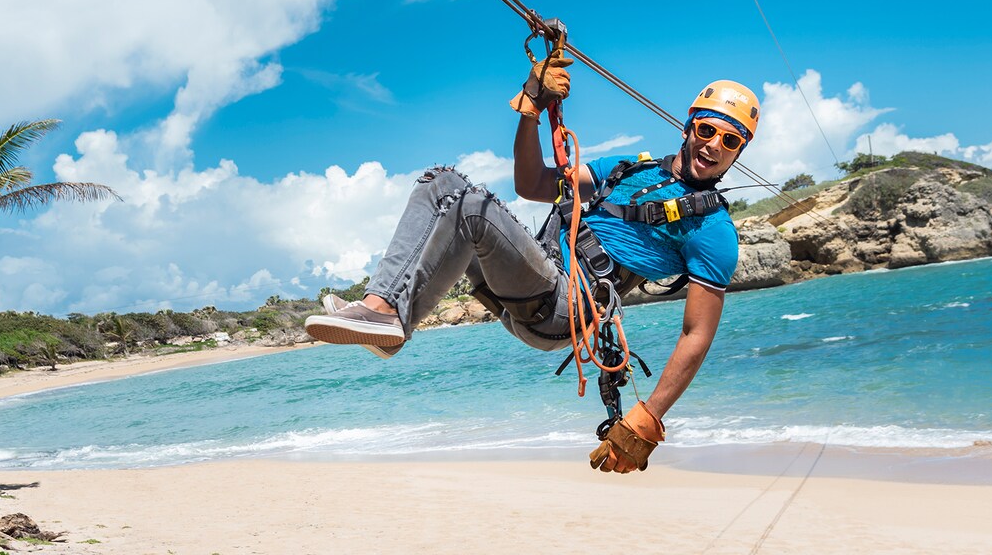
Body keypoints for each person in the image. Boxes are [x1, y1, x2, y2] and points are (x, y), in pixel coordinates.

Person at [305, 52, 760, 474]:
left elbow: (696, 334)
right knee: (440, 181)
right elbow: (532, 182)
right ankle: (388, 319)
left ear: (738, 151)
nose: (714, 146)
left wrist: (650, 417)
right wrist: (531, 111)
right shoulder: (628, 170)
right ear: (688, 126)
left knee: (471, 205)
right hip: (534, 281)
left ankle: (385, 315)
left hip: (566, 306)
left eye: (730, 140)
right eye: (707, 131)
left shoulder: (713, 231)